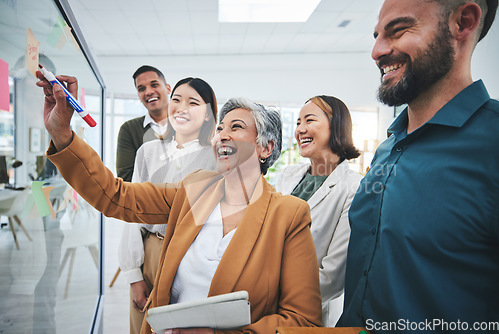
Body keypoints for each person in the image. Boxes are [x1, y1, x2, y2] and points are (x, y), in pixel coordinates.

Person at [35, 69, 322, 333]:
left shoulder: (289, 215)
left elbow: (302, 321)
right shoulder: (195, 189)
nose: (222, 135)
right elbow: (115, 196)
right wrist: (61, 133)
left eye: (235, 127)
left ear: (265, 147)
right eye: (220, 128)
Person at [338, 0, 499, 332]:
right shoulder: (388, 148)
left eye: (397, 31)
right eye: (377, 35)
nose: (377, 51)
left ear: (463, 22)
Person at [120, 77, 218, 334]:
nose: (181, 107)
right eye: (176, 99)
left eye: (193, 102)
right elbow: (132, 212)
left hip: (191, 255)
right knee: (144, 325)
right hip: (152, 249)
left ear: (208, 114)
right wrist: (134, 275)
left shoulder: (216, 157)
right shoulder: (148, 152)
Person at [275, 95, 361, 327]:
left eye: (309, 120)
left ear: (336, 126)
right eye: (298, 123)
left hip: (308, 313)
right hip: (263, 302)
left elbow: (333, 275)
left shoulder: (354, 187)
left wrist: (275, 295)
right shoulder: (287, 176)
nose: (300, 129)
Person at [116, 65, 171, 182]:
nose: (149, 92)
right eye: (141, 89)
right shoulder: (129, 129)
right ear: (139, 96)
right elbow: (126, 177)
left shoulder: (187, 124)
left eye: (154, 85)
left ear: (168, 88)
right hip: (145, 199)